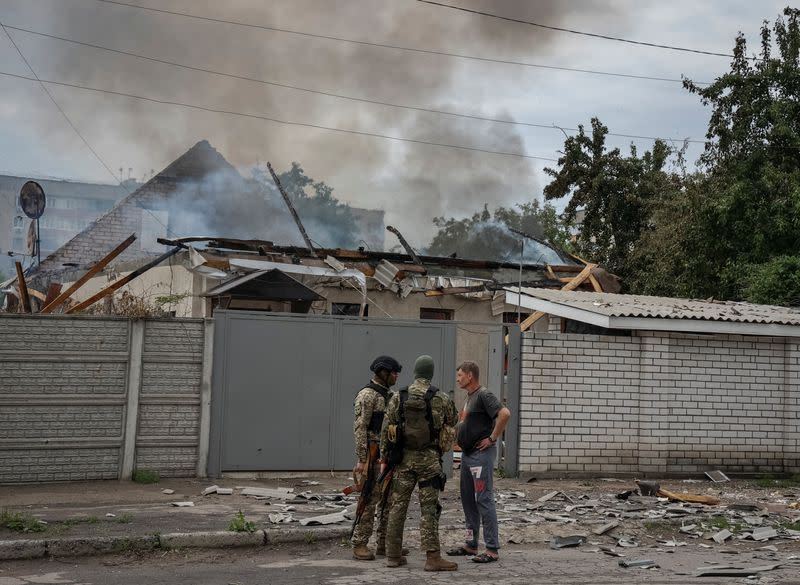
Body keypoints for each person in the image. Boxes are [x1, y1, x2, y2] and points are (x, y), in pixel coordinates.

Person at [380, 355, 459, 571]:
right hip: (429, 462)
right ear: (430, 373)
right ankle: (432, 558)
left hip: (403, 461)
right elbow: (453, 421)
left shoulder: (399, 396)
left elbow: (387, 429)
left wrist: (384, 458)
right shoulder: (440, 397)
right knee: (429, 509)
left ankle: (393, 556)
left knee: (398, 507)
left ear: (415, 372)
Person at [448, 360, 511, 563]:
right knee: (468, 500)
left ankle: (491, 549)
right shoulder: (469, 397)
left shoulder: (484, 394)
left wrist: (492, 438)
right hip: (467, 456)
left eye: (460, 376)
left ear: (470, 376)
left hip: (479, 456)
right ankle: (471, 545)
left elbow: (504, 414)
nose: (457, 379)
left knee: (483, 499)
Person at [350, 355, 402, 560]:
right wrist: (362, 460)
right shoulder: (367, 395)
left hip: (388, 456)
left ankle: (384, 544)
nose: (397, 376)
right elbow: (360, 428)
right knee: (369, 498)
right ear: (383, 373)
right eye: (394, 373)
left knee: (389, 500)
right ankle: (360, 543)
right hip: (372, 455)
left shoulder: (390, 395)